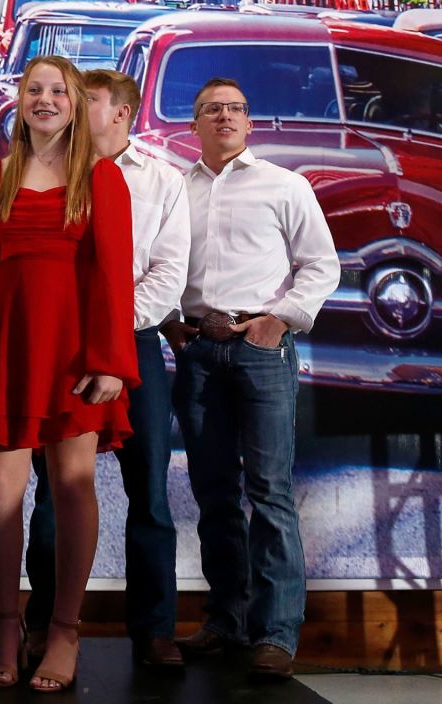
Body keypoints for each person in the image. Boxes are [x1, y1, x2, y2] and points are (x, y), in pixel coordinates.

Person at [0, 55, 138, 693]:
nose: (45, 100)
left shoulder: (100, 177)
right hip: (9, 353)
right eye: (34, 90)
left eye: (57, 91)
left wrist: (111, 363)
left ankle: (64, 630)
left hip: (74, 355)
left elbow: (113, 276)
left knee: (72, 489)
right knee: (2, 497)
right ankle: (8, 628)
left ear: (75, 103)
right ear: (19, 102)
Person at [163, 78, 339, 679]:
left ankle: (276, 633)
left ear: (249, 122)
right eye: (212, 109)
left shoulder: (285, 186)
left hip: (261, 349)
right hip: (197, 350)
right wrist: (169, 323)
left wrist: (279, 320)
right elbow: (159, 267)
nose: (225, 117)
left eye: (235, 108)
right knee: (214, 493)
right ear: (194, 125)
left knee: (269, 492)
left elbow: (321, 265)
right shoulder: (175, 190)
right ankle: (226, 621)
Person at [23, 69, 191, 669]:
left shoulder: (164, 180)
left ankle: (154, 629)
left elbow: (169, 274)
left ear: (121, 112)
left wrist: (112, 333)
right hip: (64, 349)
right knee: (54, 490)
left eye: (82, 99)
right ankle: (42, 624)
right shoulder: (42, 171)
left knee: (148, 489)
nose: (63, 104)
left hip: (134, 345)